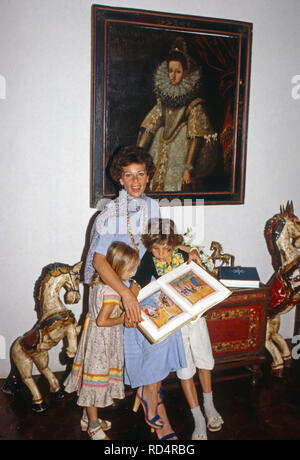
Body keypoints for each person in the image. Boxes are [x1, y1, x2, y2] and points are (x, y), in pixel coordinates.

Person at [83, 145, 201, 440]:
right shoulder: (110, 213)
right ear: (119, 180)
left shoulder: (152, 207)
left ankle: (150, 393)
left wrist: (188, 249)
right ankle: (156, 404)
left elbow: (158, 242)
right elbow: (98, 261)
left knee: (171, 329)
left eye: (141, 175)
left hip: (143, 285)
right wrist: (126, 294)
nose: (135, 182)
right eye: (128, 176)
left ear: (148, 177)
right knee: (148, 333)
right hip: (115, 289)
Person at [132, 218, 223, 440]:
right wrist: (129, 301)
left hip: (196, 318)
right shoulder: (149, 259)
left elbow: (199, 272)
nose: (162, 254)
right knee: (185, 369)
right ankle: (197, 417)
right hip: (175, 325)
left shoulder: (183, 255)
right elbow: (136, 283)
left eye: (166, 249)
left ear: (173, 245)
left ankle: (209, 407)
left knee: (204, 361)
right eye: (156, 249)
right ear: (149, 246)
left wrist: (191, 251)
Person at [64, 241, 140, 440]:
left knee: (92, 379)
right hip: (102, 341)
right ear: (117, 268)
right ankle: (94, 427)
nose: (133, 273)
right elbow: (103, 320)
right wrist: (122, 319)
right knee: (93, 383)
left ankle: (86, 418)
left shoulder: (99, 283)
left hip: (93, 338)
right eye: (130, 269)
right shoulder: (112, 293)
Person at [137, 36, 218, 192]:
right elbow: (150, 126)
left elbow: (196, 138)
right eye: (170, 71)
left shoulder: (194, 104)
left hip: (181, 152)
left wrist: (187, 168)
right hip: (160, 147)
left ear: (185, 73)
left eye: (178, 71)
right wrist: (137, 156)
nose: (173, 76)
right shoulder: (163, 101)